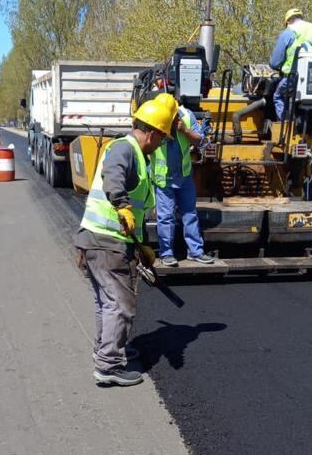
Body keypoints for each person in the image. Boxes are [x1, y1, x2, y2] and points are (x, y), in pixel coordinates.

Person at [75, 93, 178, 387]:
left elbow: (137, 210)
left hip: (98, 240)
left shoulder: (136, 154)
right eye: (162, 138)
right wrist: (120, 204)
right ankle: (109, 365)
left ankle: (107, 349)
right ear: (153, 132)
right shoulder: (125, 149)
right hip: (106, 243)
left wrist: (142, 246)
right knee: (120, 303)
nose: (161, 144)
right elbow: (113, 177)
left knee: (105, 302)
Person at [150, 102, 214, 267]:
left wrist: (184, 129)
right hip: (163, 178)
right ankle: (166, 254)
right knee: (165, 218)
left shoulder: (186, 115)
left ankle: (196, 251)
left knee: (190, 214)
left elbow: (201, 140)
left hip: (184, 177)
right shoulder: (154, 117)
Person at [268, 8, 312, 120]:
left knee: (278, 96)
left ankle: (283, 128)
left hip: (295, 77)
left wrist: (275, 66)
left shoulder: (289, 32)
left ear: (288, 21)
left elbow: (275, 62)